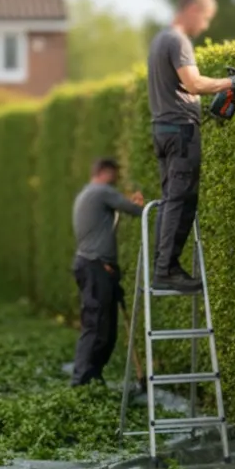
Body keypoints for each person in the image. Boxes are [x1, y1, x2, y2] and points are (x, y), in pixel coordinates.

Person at [146, 0, 235, 294]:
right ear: (192, 9)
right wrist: (233, 81)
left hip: (164, 128)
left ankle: (165, 266)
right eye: (205, 18)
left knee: (171, 200)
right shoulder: (177, 40)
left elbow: (179, 92)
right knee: (181, 201)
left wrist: (215, 101)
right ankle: (166, 270)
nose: (205, 26)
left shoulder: (159, 40)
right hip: (180, 132)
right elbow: (192, 84)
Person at [70, 158, 145, 387]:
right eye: (114, 174)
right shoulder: (101, 191)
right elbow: (134, 210)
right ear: (104, 172)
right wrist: (140, 204)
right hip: (94, 266)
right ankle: (81, 382)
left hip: (95, 266)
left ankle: (92, 377)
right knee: (96, 326)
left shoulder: (88, 194)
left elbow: (113, 215)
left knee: (106, 328)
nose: (117, 179)